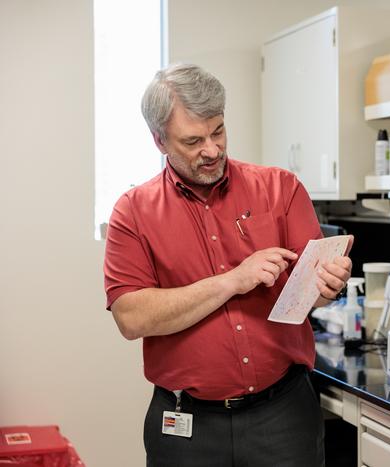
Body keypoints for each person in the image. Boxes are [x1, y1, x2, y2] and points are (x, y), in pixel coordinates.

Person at [103, 63, 352, 467]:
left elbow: (314, 298)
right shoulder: (133, 212)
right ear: (159, 141)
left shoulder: (281, 188)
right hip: (186, 426)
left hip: (284, 415)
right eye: (193, 140)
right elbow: (132, 318)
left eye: (218, 131)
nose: (212, 150)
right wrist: (232, 281)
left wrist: (328, 287)